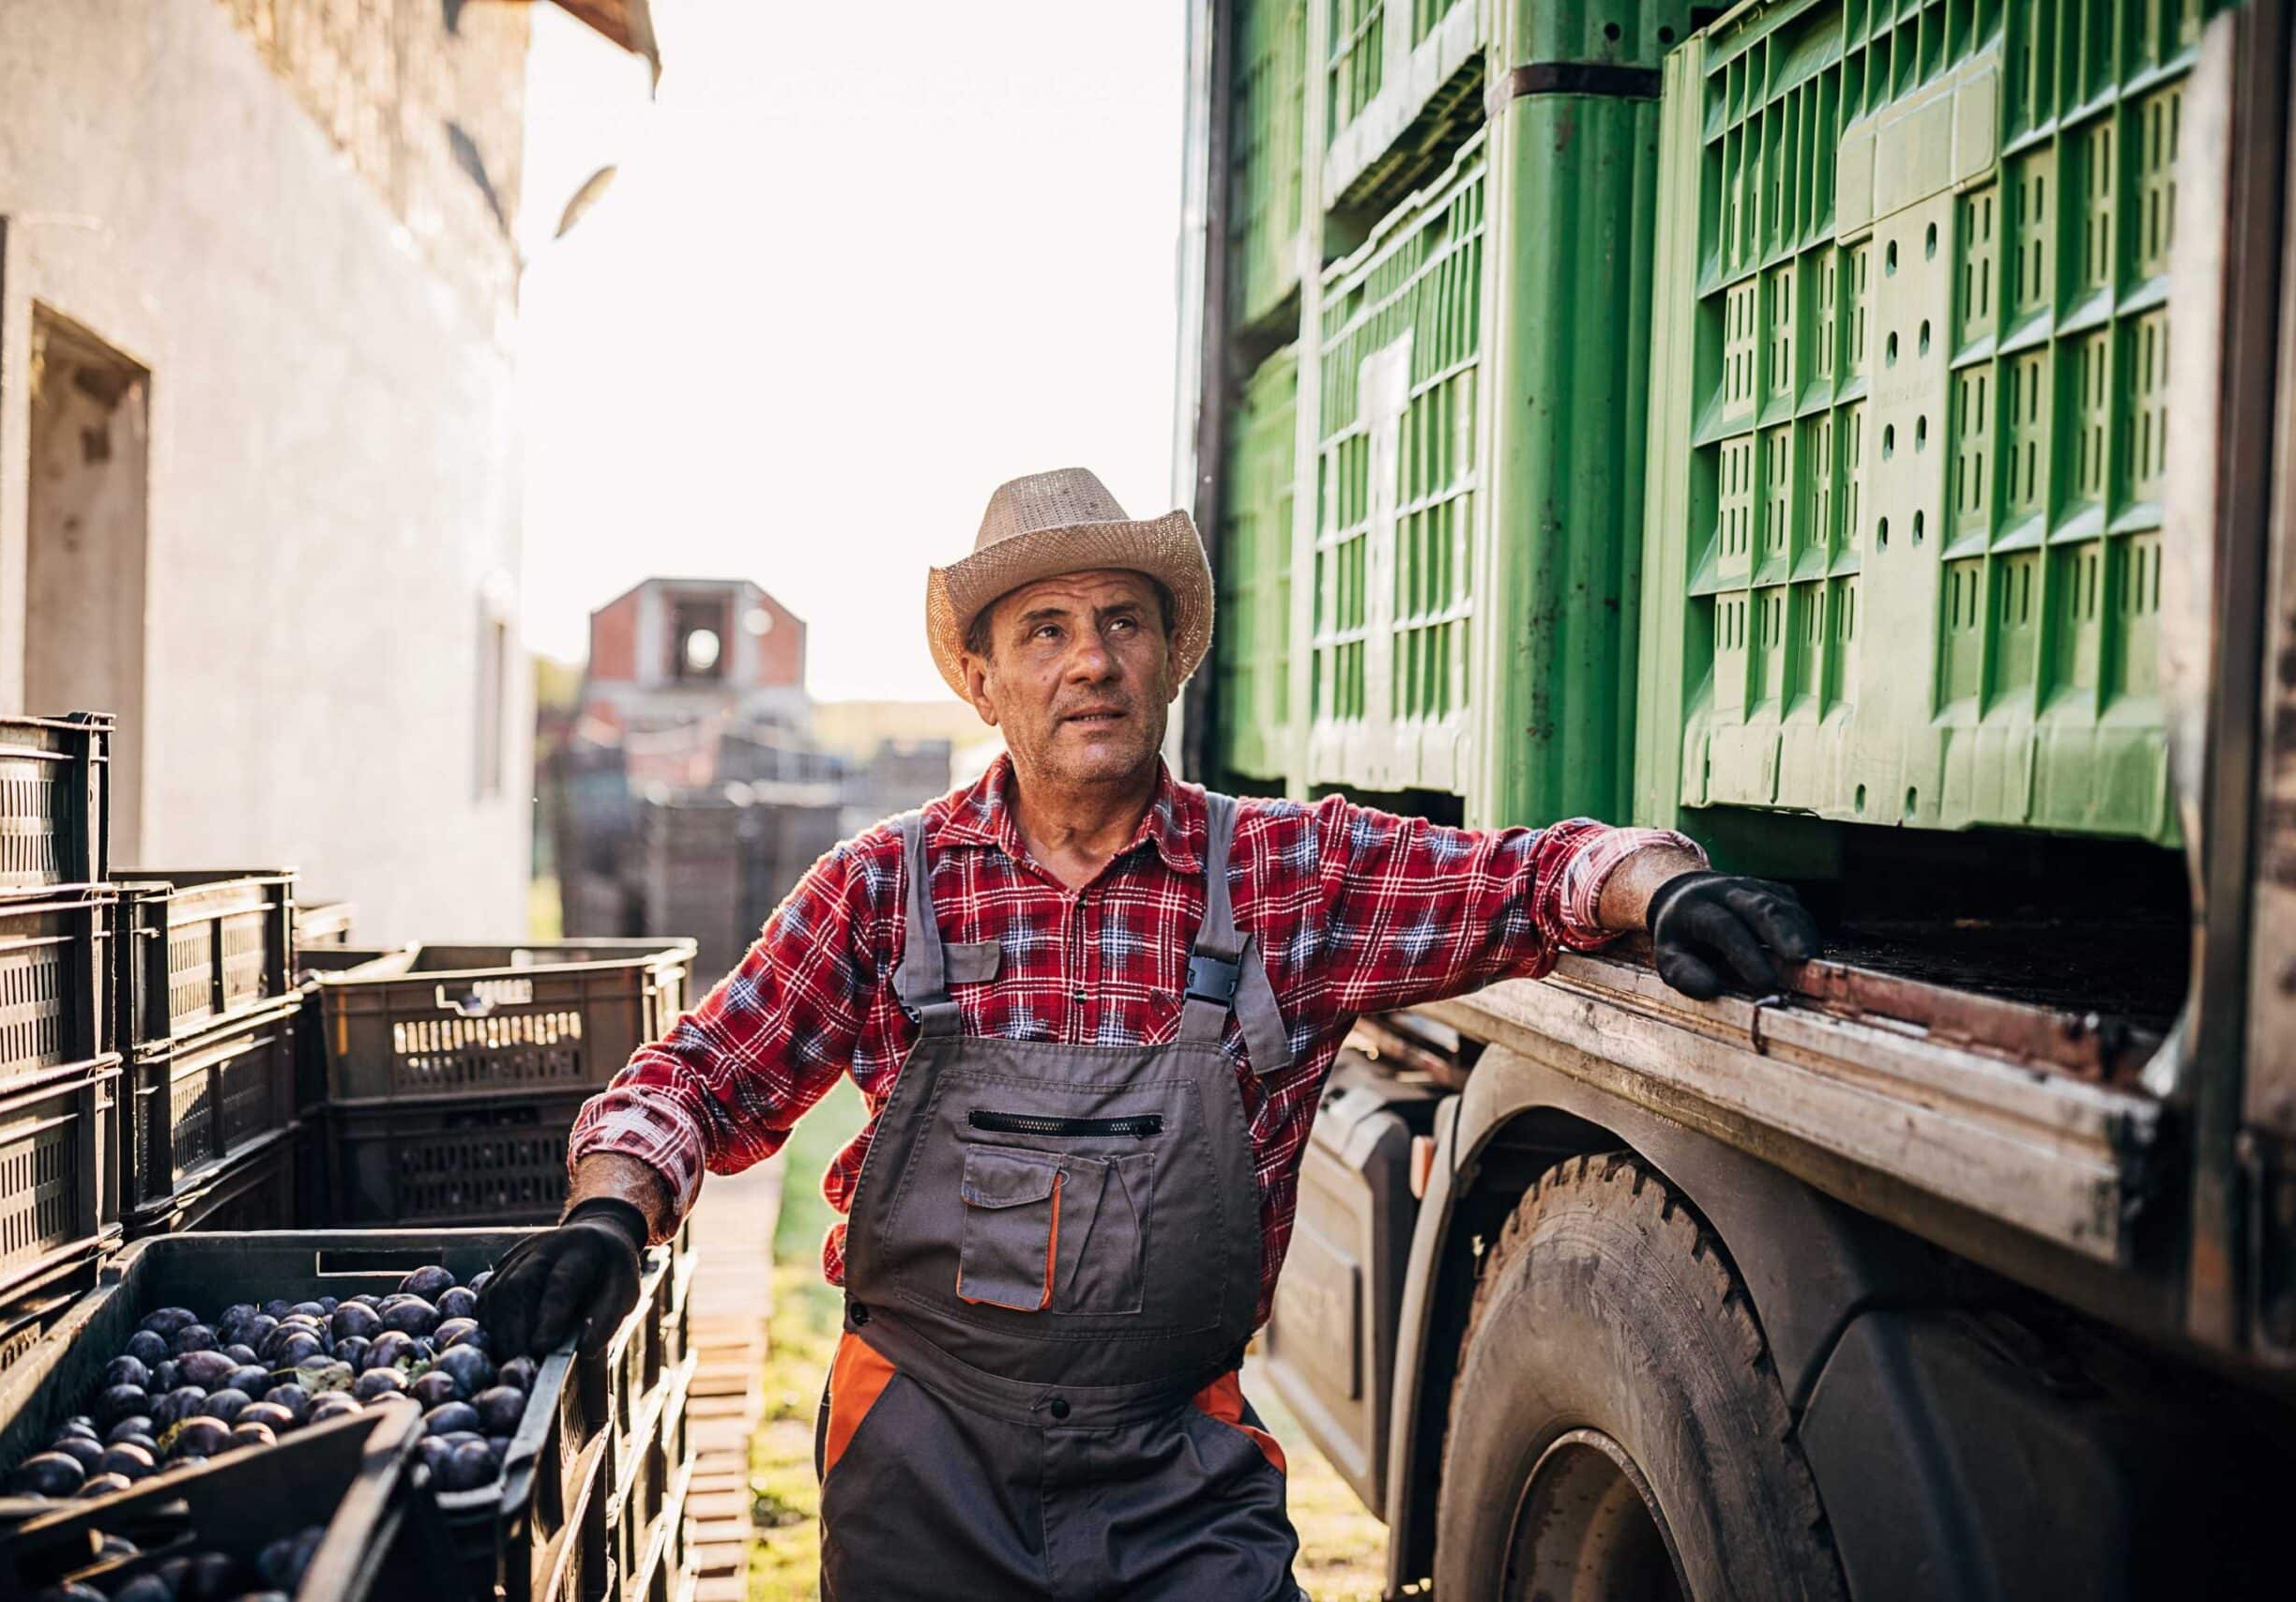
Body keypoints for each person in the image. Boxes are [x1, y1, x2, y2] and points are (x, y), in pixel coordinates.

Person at [481, 468, 1817, 1601]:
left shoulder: (1288, 877)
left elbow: (1530, 877)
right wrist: (612, 1210)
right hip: (921, 1461)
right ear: (979, 674)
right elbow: (698, 1077)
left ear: (1170, 656)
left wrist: (1663, 888)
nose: (1090, 660)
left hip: (1176, 1478)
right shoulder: (883, 888)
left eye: (1124, 621)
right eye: (1045, 628)